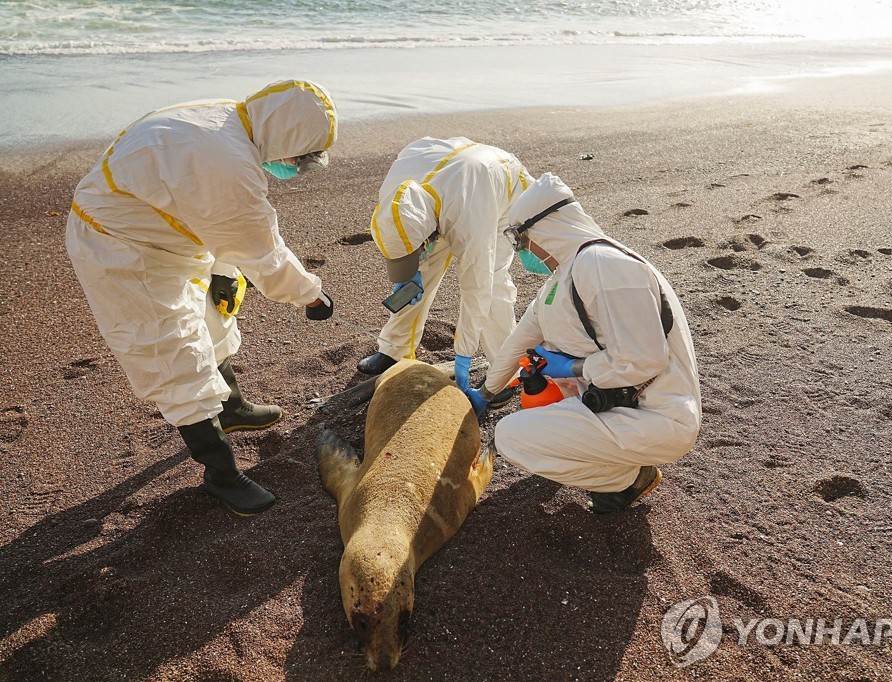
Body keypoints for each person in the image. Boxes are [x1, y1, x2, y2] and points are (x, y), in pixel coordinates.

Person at [66, 79, 338, 516]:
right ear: (286, 135)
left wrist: (222, 269)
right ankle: (222, 474)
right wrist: (311, 296)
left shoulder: (228, 118)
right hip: (123, 249)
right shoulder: (227, 164)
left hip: (169, 230)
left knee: (215, 318)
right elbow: (263, 254)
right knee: (174, 352)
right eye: (299, 157)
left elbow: (211, 214)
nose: (293, 165)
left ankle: (231, 406)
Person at [466, 173, 701, 514]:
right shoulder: (565, 276)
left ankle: (627, 477)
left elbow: (645, 360)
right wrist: (485, 393)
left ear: (546, 228)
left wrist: (574, 367)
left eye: (523, 241)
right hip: (620, 402)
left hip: (660, 417)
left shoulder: (605, 266)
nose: (525, 252)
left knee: (511, 437)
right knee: (538, 404)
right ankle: (620, 467)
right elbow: (520, 341)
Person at [357, 137, 533, 405]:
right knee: (421, 272)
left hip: (498, 192)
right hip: (452, 183)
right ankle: (395, 349)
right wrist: (406, 272)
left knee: (493, 283)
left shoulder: (469, 217)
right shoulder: (394, 195)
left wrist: (464, 353)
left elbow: (477, 287)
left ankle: (504, 372)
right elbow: (402, 233)